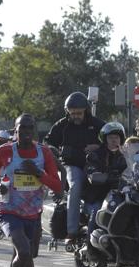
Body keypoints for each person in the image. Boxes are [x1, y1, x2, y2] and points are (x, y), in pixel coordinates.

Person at [0, 114, 62, 267]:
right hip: (9, 212)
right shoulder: (5, 151)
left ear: (35, 131)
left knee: (20, 258)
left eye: (30, 129)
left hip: (33, 215)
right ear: (15, 130)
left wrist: (38, 173)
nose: (26, 133)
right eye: (22, 129)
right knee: (23, 251)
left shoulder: (44, 153)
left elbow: (57, 187)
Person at [44, 92, 104, 240]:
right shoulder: (62, 125)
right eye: (73, 113)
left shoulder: (96, 124)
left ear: (86, 110)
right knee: (76, 185)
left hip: (93, 166)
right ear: (67, 112)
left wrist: (98, 147)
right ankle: (71, 231)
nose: (76, 116)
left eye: (79, 113)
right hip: (71, 165)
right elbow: (48, 143)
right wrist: (55, 152)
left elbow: (112, 138)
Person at [84, 122, 127, 260]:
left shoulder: (127, 154)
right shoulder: (97, 155)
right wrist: (102, 176)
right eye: (111, 137)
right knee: (97, 212)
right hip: (100, 194)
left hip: (122, 193)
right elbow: (91, 171)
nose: (114, 140)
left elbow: (137, 167)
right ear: (105, 139)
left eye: (116, 137)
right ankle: (91, 250)